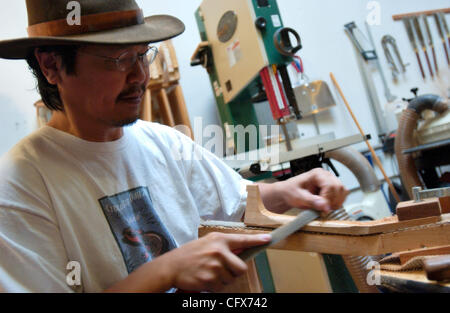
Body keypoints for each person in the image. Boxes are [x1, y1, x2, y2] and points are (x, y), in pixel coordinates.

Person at [0, 0, 348, 293]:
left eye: (142, 55)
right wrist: (164, 272)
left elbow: (235, 200)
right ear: (51, 65)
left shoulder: (162, 142)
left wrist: (290, 191)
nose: (139, 76)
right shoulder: (18, 185)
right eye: (119, 59)